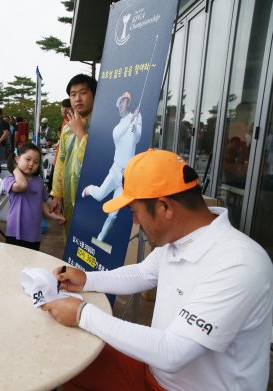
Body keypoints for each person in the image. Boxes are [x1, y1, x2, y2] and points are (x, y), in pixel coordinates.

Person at [43, 149, 273, 391]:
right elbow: (143, 274)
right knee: (67, 362)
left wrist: (83, 315)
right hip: (153, 370)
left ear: (164, 207)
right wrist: (86, 279)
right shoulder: (181, 238)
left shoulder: (239, 264)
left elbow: (172, 353)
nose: (135, 222)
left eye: (135, 212)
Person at [81, 91, 142, 253]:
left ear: (129, 104)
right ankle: (89, 189)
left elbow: (136, 138)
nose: (122, 106)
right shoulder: (118, 127)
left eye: (125, 103)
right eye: (120, 103)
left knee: (113, 214)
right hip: (115, 171)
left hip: (126, 176)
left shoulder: (136, 117)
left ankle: (100, 239)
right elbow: (119, 135)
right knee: (100, 195)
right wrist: (131, 120)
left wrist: (135, 123)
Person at [49, 74, 96, 240]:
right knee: (71, 241)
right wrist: (57, 195)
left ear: (94, 95)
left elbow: (99, 160)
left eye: (83, 92)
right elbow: (61, 163)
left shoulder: (102, 124)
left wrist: (81, 133)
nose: (78, 98)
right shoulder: (67, 128)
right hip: (69, 198)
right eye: (73, 94)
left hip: (93, 200)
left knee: (91, 243)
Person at [4, 142, 65, 250]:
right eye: (27, 159)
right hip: (14, 232)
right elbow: (23, 185)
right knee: (13, 263)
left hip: (34, 234)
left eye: (36, 162)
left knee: (30, 263)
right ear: (17, 159)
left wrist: (53, 215)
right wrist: (14, 169)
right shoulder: (10, 180)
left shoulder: (39, 182)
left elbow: (43, 204)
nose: (31, 164)